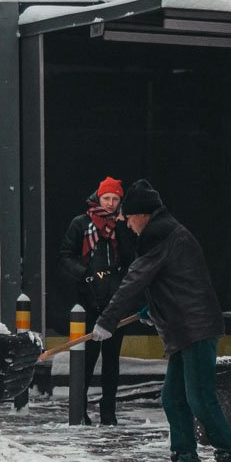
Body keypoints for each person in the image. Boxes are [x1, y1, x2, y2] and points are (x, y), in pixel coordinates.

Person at [90, 180, 231, 462]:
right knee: (174, 398)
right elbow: (177, 280)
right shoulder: (167, 233)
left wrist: (107, 320)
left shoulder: (160, 235)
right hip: (184, 328)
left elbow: (135, 280)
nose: (127, 224)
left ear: (142, 214)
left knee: (200, 398)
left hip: (196, 328)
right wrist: (154, 311)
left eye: (129, 218)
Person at [58, 176, 135, 425]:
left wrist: (122, 228)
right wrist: (85, 274)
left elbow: (130, 256)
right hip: (88, 300)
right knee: (87, 357)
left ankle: (108, 411)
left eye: (115, 199)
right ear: (98, 198)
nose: (111, 203)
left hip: (116, 301)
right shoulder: (81, 224)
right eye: (107, 198)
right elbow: (65, 256)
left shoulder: (125, 224)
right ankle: (79, 408)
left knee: (112, 359)